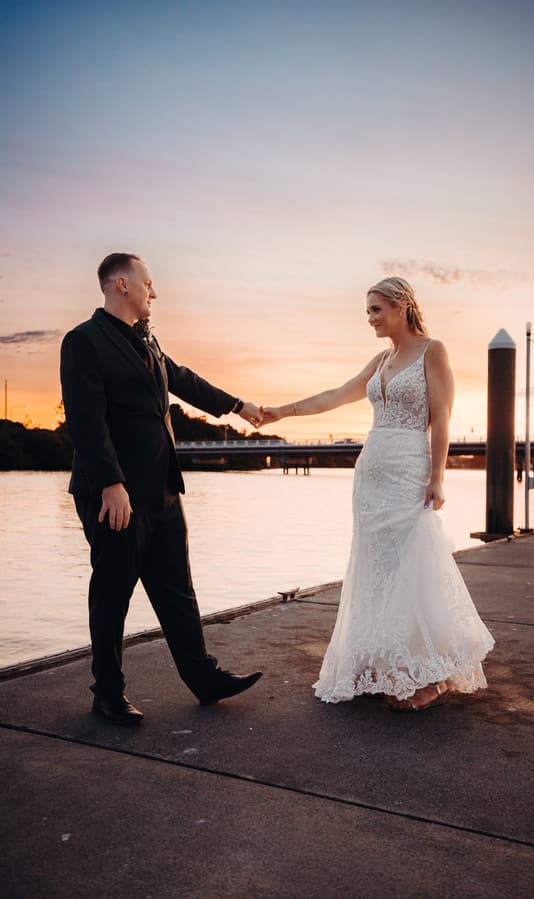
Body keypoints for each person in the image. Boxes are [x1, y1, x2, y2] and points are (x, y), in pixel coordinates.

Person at [261, 277, 494, 710]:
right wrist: (283, 411)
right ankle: (383, 660)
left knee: (413, 563)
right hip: (371, 472)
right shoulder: (381, 359)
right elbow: (336, 395)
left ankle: (433, 672)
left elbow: (442, 419)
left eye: (376, 310)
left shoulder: (433, 350)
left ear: (402, 306)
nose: (370, 319)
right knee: (378, 567)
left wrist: (438, 476)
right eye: (367, 312)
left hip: (409, 468)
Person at [60, 252, 263, 724]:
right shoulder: (83, 342)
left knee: (177, 590)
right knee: (112, 593)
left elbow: (184, 380)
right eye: (149, 283)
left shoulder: (147, 343)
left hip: (163, 490)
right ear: (122, 284)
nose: (156, 292)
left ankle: (203, 678)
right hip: (116, 495)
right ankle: (107, 693)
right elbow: (86, 421)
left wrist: (237, 405)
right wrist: (111, 483)